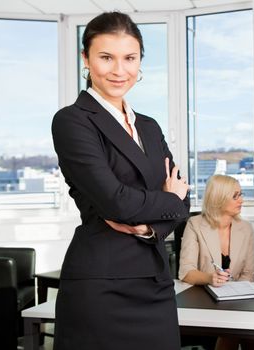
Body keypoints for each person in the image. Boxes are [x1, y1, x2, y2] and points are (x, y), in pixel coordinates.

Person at [51, 12, 189, 350]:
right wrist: (167, 201)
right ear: (86, 59)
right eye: (106, 57)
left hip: (154, 282)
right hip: (101, 285)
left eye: (130, 58)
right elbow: (115, 201)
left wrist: (148, 228)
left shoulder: (150, 127)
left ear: (140, 60)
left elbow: (184, 201)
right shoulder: (73, 121)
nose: (119, 70)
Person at [179, 174, 254, 350]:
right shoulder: (195, 224)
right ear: (219, 198)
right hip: (204, 298)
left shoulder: (246, 228)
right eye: (235, 196)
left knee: (247, 332)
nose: (241, 200)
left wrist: (235, 293)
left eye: (241, 194)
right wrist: (210, 278)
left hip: (238, 300)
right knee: (240, 332)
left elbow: (249, 274)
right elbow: (186, 271)